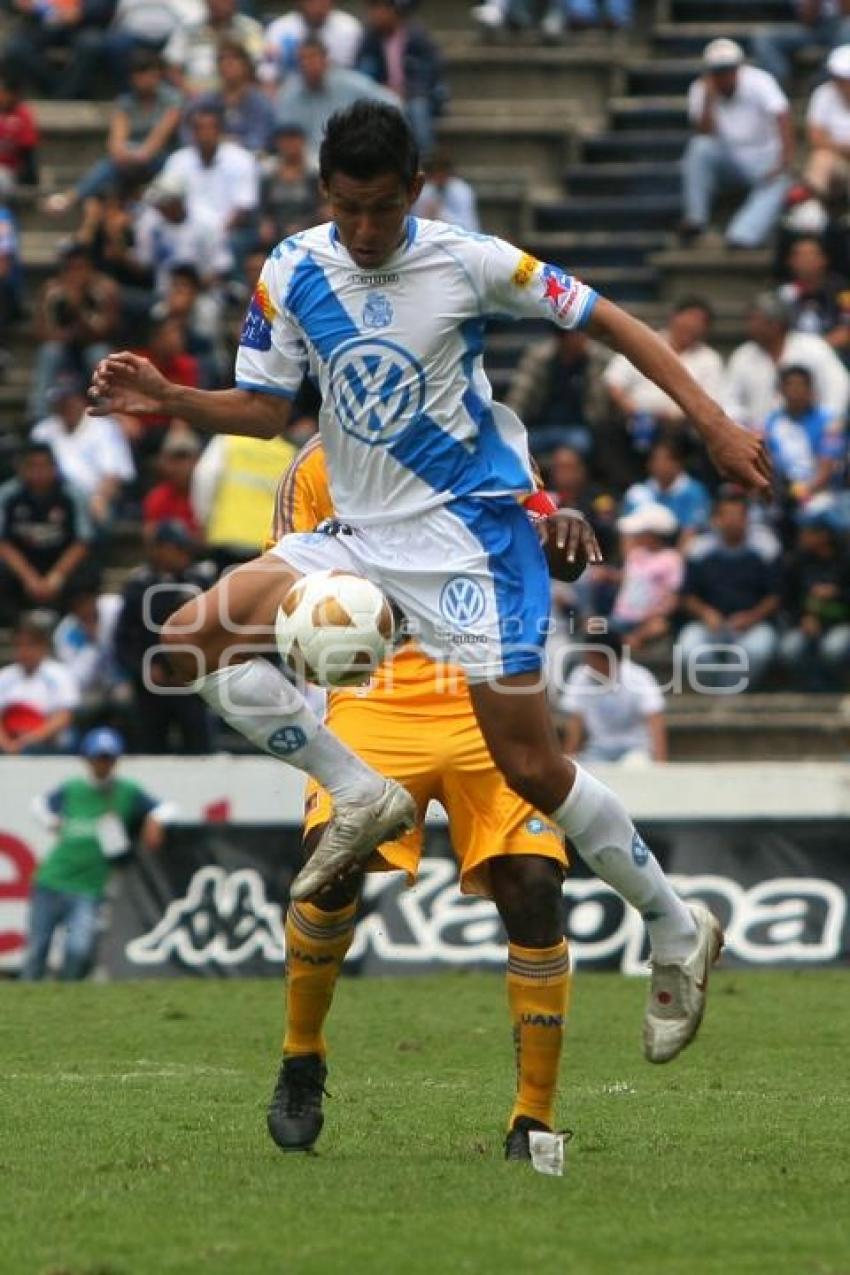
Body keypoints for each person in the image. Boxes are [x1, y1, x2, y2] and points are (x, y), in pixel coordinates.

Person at [90, 101, 768, 1121]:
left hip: (472, 543)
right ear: (325, 193)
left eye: (382, 209)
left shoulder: (471, 261)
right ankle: (357, 793)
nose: (364, 230)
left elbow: (613, 322)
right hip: (358, 539)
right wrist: (172, 399)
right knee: (187, 644)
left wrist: (712, 423)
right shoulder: (290, 268)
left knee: (533, 768)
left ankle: (675, 926)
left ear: (416, 186)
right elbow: (270, 414)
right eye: (348, 209)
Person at [265, 438, 695, 1159]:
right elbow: (285, 586)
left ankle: (533, 1116)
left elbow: (546, 547)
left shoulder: (483, 442)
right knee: (328, 872)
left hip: (487, 695)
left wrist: (564, 527)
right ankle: (301, 1055)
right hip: (376, 701)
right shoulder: (314, 467)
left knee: (532, 886)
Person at [21, 727, 168, 981]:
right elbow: (38, 805)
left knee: (79, 949)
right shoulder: (73, 788)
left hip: (88, 888)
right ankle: (26, 1004)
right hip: (52, 880)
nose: (103, 764)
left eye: (108, 758)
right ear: (87, 759)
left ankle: (65, 999)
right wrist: (51, 822)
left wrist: (155, 818)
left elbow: (167, 807)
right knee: (37, 949)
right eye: (98, 757)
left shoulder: (127, 791)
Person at [680, 39, 793, 249]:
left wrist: (784, 160)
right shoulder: (700, 89)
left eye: (728, 70)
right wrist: (709, 98)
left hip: (763, 156)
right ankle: (695, 220)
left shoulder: (759, 80)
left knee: (780, 181)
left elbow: (783, 116)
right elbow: (705, 131)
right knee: (699, 147)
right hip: (728, 158)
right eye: (718, 71)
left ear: (738, 68)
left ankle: (742, 236)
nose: (724, 76)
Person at [115, 520, 215, 752]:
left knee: (198, 745)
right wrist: (143, 669)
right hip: (151, 686)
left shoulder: (200, 583)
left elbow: (217, 631)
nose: (182, 555)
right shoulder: (139, 586)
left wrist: (198, 668)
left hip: (192, 684)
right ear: (159, 549)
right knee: (150, 746)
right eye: (176, 548)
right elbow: (123, 639)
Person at [44, 48, 181, 216]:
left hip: (164, 159)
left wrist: (135, 154)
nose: (145, 80)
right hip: (129, 159)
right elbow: (115, 143)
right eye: (140, 75)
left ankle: (72, 197)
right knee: (109, 164)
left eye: (150, 74)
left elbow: (156, 141)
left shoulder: (172, 100)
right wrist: (127, 153)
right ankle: (72, 197)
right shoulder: (125, 103)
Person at [678, 490, 781, 691]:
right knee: (689, 651)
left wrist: (751, 617)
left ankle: (728, 702)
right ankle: (711, 699)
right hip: (709, 624)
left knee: (754, 652)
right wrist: (706, 613)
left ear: (747, 518)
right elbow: (687, 595)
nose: (733, 521)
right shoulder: (700, 548)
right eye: (727, 515)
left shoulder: (766, 547)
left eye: (739, 515)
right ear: (716, 519)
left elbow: (775, 596)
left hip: (752, 624)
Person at [603, 296, 724, 454]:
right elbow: (613, 381)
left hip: (678, 425)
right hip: (635, 417)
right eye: (689, 319)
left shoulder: (710, 359)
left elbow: (711, 402)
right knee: (605, 429)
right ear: (674, 316)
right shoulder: (645, 340)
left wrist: (672, 417)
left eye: (699, 322)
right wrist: (633, 410)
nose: (693, 326)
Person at [725, 291, 850, 433]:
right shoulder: (743, 356)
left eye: (756, 320)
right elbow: (730, 401)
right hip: (758, 441)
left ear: (776, 325)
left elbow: (838, 385)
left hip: (812, 439)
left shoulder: (813, 347)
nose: (750, 326)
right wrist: (744, 428)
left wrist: (827, 425)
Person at [0, 441, 95, 622]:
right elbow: (2, 543)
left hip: (60, 562)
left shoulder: (72, 494)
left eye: (43, 466)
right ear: (22, 468)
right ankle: (15, 625)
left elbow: (82, 541)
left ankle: (70, 623)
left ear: (54, 467)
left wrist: (56, 577)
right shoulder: (7, 495)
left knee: (87, 574)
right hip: (22, 565)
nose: (38, 472)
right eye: (32, 466)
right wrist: (29, 578)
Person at [30, 242, 121, 423]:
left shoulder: (105, 288)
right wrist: (64, 335)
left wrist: (78, 309)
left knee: (98, 353)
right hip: (64, 349)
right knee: (49, 352)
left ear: (90, 268)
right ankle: (38, 416)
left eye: (80, 268)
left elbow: (107, 331)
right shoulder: (51, 289)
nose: (75, 274)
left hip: (92, 347)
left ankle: (109, 411)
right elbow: (39, 332)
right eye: (70, 268)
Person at [157, 103, 259, 258]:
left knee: (234, 243)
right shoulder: (178, 160)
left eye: (209, 128)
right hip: (183, 232)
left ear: (219, 131)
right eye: (199, 128)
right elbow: (164, 199)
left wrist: (217, 235)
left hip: (227, 232)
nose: (205, 134)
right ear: (192, 132)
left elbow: (243, 207)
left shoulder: (241, 159)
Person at [31, 374, 135, 526]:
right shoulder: (42, 430)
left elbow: (114, 474)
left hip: (92, 499)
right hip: (50, 498)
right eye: (60, 400)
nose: (64, 405)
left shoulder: (104, 427)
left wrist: (100, 498)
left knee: (96, 514)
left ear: (82, 399)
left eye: (69, 400)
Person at [275, 35, 400, 155]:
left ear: (325, 59)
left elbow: (394, 103)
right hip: (304, 165)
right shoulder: (288, 93)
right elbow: (283, 134)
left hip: (346, 161)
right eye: (303, 59)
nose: (308, 64)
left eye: (313, 57)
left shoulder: (350, 84)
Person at [190, 430, 295, 568]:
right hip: (267, 544)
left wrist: (202, 520)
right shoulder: (289, 453)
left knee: (224, 587)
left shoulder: (228, 442)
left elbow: (204, 477)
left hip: (226, 536)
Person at [558, 632, 666, 764]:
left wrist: (661, 765)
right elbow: (575, 722)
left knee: (637, 766)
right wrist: (568, 761)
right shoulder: (580, 676)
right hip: (597, 751)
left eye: (592, 659)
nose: (588, 662)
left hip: (635, 749)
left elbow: (655, 719)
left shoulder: (640, 677)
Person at [356, 0, 448, 156]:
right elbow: (363, 74)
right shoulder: (369, 39)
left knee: (418, 109)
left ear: (392, 10)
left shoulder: (416, 36)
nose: (375, 16)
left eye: (379, 10)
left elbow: (430, 71)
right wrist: (381, 89)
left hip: (417, 93)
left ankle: (426, 158)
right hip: (383, 93)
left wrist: (408, 90)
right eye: (372, 10)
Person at [506, 329, 610, 458]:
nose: (584, 340)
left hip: (577, 429)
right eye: (578, 335)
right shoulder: (538, 358)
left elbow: (600, 407)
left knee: (580, 442)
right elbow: (519, 397)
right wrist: (508, 429)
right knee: (515, 445)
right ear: (563, 338)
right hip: (540, 427)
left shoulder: (594, 359)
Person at [779, 507, 850, 688]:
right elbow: (788, 600)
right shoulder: (797, 561)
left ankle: (834, 687)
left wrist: (837, 593)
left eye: (808, 531)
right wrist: (802, 619)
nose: (802, 535)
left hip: (841, 624)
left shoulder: (844, 560)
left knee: (833, 649)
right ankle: (810, 688)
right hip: (807, 623)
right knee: (789, 649)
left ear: (824, 536)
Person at [133, 170, 233, 295]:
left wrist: (191, 291)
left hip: (203, 293)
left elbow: (221, 266)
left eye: (164, 203)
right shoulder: (150, 222)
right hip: (163, 294)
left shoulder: (207, 222)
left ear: (177, 202)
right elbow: (144, 263)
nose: (160, 209)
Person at [763, 364, 846, 505]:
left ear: (810, 389)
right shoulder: (772, 422)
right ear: (781, 389)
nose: (795, 390)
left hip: (824, 493)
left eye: (801, 385)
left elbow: (827, 468)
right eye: (790, 385)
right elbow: (767, 462)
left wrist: (803, 493)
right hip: (782, 492)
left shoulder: (830, 421)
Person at [0, 612, 80, 755]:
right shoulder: (5, 676)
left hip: (45, 741)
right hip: (9, 738)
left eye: (29, 645)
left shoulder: (59, 674)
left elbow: (64, 717)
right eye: (19, 645)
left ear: (42, 646)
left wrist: (31, 739)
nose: (23, 651)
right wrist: (6, 744)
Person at [610, 504, 684, 651]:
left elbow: (673, 599)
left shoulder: (672, 559)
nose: (635, 535)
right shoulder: (635, 554)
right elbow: (628, 580)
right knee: (593, 626)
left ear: (653, 535)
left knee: (659, 626)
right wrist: (606, 575)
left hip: (649, 620)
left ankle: (633, 639)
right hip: (621, 618)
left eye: (640, 532)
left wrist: (651, 616)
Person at [164, 0, 264, 98]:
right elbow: (172, 67)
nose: (218, 3)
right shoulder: (188, 29)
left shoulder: (250, 29)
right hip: (194, 94)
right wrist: (187, 90)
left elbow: (255, 67)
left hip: (237, 96)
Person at [622, 436, 712, 542]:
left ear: (678, 463)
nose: (660, 465)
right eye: (655, 460)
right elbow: (627, 530)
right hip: (645, 547)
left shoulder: (695, 491)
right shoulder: (638, 492)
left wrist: (674, 558)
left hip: (680, 545)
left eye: (665, 460)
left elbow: (692, 529)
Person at [263, 0, 363, 89]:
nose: (317, 5)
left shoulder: (350, 29)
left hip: (338, 91)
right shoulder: (279, 29)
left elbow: (355, 75)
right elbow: (268, 76)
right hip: (290, 94)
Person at [752, 0, 850, 88]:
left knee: (847, 27)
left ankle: (824, 82)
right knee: (764, 38)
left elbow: (846, 13)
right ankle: (779, 84)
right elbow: (807, 20)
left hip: (841, 27)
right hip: (814, 29)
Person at [777, 235, 850, 350]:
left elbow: (846, 330)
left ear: (824, 259)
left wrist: (815, 350)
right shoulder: (783, 293)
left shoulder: (843, 291)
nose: (806, 260)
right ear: (790, 261)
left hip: (834, 353)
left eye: (811, 254)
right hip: (794, 354)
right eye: (799, 255)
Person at [258, 124, 321, 248]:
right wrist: (264, 222)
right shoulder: (269, 172)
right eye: (285, 141)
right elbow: (262, 206)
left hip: (308, 226)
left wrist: (304, 225)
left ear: (302, 142)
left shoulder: (314, 173)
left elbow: (321, 207)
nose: (289, 145)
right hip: (276, 227)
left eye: (293, 140)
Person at [208, 40, 276, 154]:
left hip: (250, 159)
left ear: (246, 65)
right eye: (222, 60)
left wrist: (231, 142)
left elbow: (262, 140)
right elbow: (189, 131)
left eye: (233, 59)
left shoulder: (260, 103)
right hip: (211, 158)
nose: (227, 64)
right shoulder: (208, 101)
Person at [805, 44, 850, 200]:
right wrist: (844, 147)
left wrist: (834, 143)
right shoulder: (823, 93)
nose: (840, 83)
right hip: (838, 162)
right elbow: (816, 138)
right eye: (838, 77)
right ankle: (812, 210)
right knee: (821, 158)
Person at [142, 428, 202, 537]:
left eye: (183, 457)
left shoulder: (210, 494)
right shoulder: (157, 497)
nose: (178, 466)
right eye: (172, 459)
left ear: (198, 459)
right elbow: (150, 538)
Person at [413, 151, 479, 233]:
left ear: (448, 172)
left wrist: (440, 213)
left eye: (441, 172)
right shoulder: (426, 191)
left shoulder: (461, 190)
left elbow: (469, 227)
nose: (438, 177)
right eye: (434, 173)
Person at [0, 70, 39, 199]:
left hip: (8, 171)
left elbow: (28, 151)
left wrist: (31, 181)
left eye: (4, 92)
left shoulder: (22, 115)